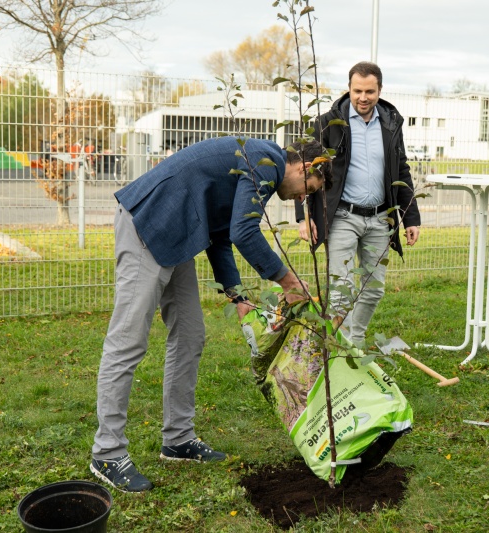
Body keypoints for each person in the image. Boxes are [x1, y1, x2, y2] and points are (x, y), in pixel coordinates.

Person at [90, 137, 330, 492]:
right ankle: (107, 453)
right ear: (304, 167)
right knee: (127, 341)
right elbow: (244, 231)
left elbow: (220, 232)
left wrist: (236, 295)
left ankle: (178, 439)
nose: (301, 199)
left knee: (189, 335)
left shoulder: (261, 161)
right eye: (308, 189)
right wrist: (288, 280)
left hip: (178, 236)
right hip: (149, 225)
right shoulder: (267, 163)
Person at [295, 61, 421, 344]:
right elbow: (303, 169)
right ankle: (344, 350)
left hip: (380, 219)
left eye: (370, 91)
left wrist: (411, 217)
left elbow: (401, 169)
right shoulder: (328, 123)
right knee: (340, 290)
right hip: (342, 217)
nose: (363, 97)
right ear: (348, 89)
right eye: (357, 91)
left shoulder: (391, 123)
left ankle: (354, 340)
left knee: (373, 288)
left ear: (379, 90)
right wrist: (304, 216)